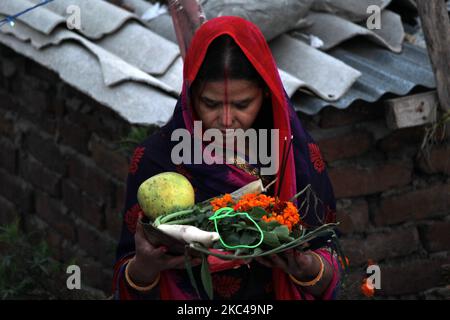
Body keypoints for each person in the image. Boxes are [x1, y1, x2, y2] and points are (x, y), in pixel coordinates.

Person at [113, 16, 340, 300]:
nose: (227, 120)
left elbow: (328, 252)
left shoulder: (294, 156)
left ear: (267, 94)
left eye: (243, 104)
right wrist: (143, 268)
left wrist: (306, 267)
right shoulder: (157, 159)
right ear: (190, 94)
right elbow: (126, 271)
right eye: (210, 104)